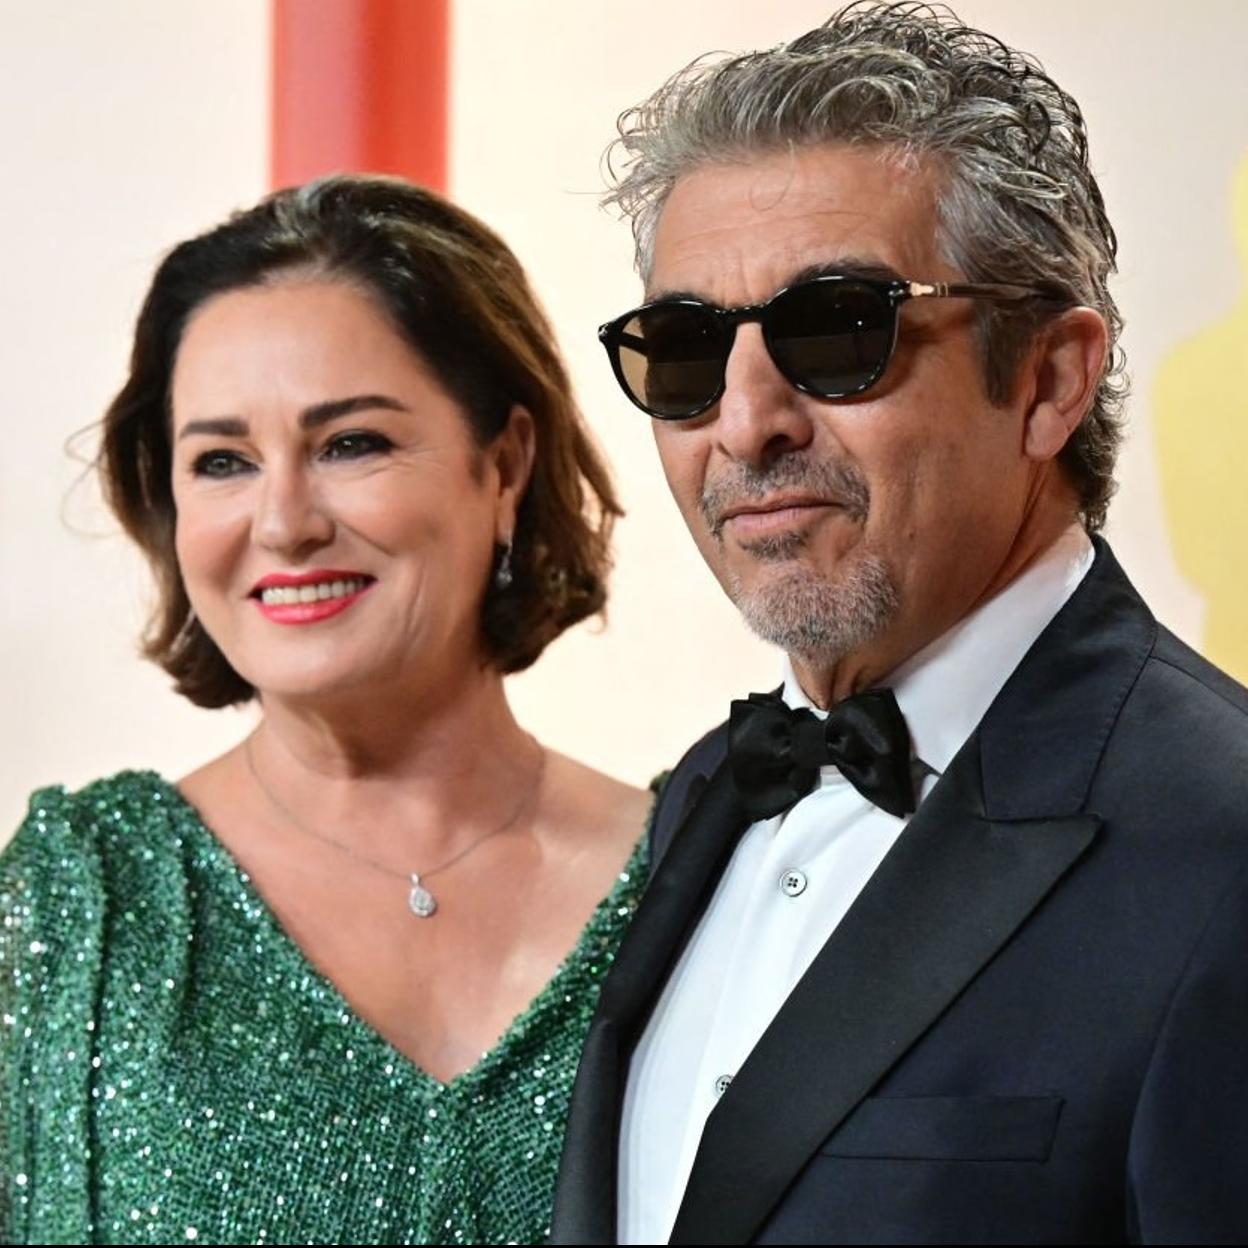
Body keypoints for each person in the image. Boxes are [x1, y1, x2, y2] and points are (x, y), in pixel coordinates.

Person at [551, 3, 1248, 1243]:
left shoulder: (1224, 847)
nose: (746, 421)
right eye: (686, 350)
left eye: (838, 333)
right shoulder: (702, 798)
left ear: (1046, 379)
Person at [0, 174, 652, 1245]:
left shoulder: (704, 883)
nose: (284, 521)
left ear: (504, 465)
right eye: (222, 462)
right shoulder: (82, 906)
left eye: (351, 444)